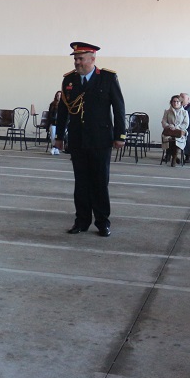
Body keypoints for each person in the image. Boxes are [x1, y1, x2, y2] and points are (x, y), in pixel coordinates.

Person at [54, 42, 126, 237]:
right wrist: (59, 136)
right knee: (81, 182)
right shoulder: (69, 80)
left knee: (100, 182)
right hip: (78, 139)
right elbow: (63, 111)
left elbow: (119, 108)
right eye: (75, 59)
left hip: (101, 139)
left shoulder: (108, 78)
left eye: (80, 58)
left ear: (92, 59)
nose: (77, 62)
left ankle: (103, 222)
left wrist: (120, 135)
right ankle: (81, 221)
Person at [161, 94, 189, 167]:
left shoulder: (184, 112)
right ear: (171, 102)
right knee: (170, 139)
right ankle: (175, 157)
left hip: (180, 132)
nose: (175, 103)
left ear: (180, 103)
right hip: (169, 131)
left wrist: (176, 127)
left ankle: (173, 158)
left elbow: (186, 124)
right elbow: (163, 122)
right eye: (174, 101)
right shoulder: (167, 112)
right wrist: (169, 126)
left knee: (176, 140)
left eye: (177, 101)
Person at [47, 90, 63, 154]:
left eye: (60, 95)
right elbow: (50, 115)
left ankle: (54, 148)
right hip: (53, 122)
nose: (58, 97)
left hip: (61, 124)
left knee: (60, 132)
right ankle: (55, 147)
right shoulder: (52, 104)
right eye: (57, 95)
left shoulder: (64, 105)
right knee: (53, 131)